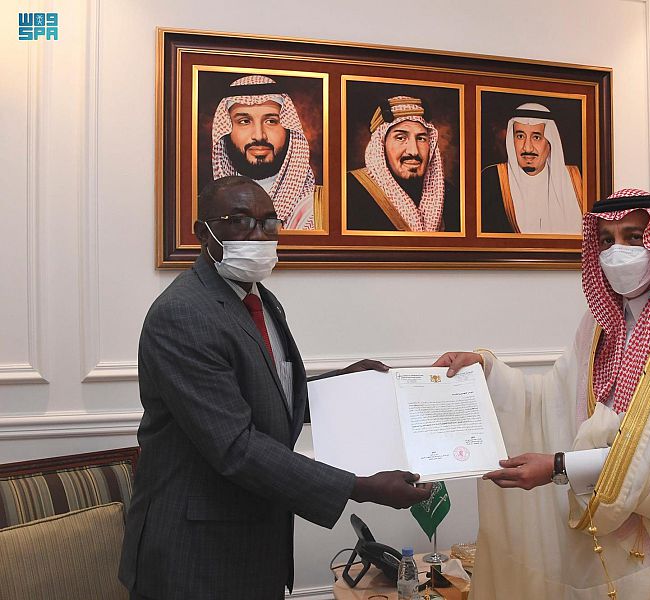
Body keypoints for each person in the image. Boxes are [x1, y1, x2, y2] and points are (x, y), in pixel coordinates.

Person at [119, 176, 431, 600]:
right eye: (239, 221)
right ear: (202, 233)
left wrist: (342, 383)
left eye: (269, 222)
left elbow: (268, 394)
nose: (258, 235)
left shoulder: (260, 300)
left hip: (253, 543)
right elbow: (236, 446)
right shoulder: (183, 314)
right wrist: (360, 487)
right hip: (195, 555)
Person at [436, 188, 650, 599]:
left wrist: (559, 466)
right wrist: (486, 371)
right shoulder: (600, 323)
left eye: (633, 237)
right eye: (606, 240)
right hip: (600, 538)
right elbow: (549, 399)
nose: (617, 251)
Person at [211, 75, 322, 230]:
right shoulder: (208, 207)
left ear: (289, 130)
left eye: (271, 121)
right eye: (244, 121)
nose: (259, 135)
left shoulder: (316, 209)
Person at [346, 95, 460, 232]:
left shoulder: (451, 196)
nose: (414, 151)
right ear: (381, 145)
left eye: (421, 138)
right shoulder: (350, 190)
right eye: (400, 138)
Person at [480, 102, 584, 234]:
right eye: (520, 136)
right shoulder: (491, 180)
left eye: (536, 137)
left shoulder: (577, 180)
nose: (527, 147)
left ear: (550, 142)